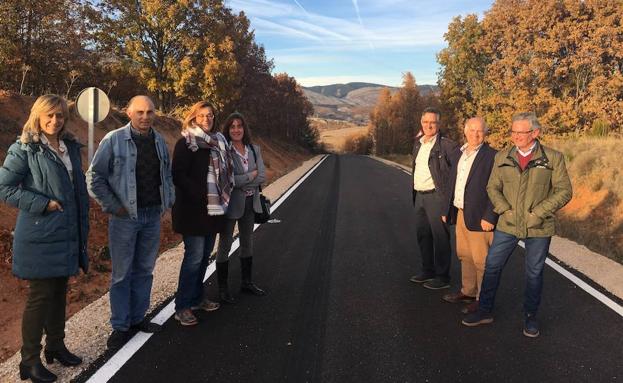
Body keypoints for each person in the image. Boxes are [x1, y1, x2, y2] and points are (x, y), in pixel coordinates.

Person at [0, 95, 89, 382]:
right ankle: (29, 361)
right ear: (37, 116)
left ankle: (56, 346)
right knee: (40, 296)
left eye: (60, 116)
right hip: (41, 233)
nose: (54, 121)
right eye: (49, 116)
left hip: (67, 232)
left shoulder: (70, 146)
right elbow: (5, 188)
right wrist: (44, 203)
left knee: (59, 291)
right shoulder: (25, 148)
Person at [462, 112, 572, 338]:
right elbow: (492, 188)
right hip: (508, 224)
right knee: (492, 266)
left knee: (534, 273)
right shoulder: (502, 156)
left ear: (535, 133)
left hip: (538, 227)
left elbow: (564, 191)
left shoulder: (553, 158)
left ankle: (530, 317)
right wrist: (505, 209)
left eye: (521, 132)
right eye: (513, 132)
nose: (516, 136)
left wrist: (539, 213)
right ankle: (484, 310)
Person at [86, 95, 174, 350]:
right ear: (128, 112)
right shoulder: (113, 139)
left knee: (145, 270)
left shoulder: (158, 140)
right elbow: (94, 178)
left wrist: (168, 199)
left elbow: (166, 174)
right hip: (125, 218)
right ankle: (120, 326)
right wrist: (115, 207)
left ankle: (138, 319)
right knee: (122, 274)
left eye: (149, 112)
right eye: (140, 112)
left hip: (152, 216)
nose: (145, 117)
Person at [171, 101, 234, 326]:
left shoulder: (219, 143)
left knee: (203, 258)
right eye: (202, 115)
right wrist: (201, 194)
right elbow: (178, 175)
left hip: (213, 212)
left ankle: (197, 298)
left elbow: (225, 174)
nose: (207, 119)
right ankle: (182, 306)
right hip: (192, 212)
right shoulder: (186, 143)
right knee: (193, 259)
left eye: (210, 115)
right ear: (194, 118)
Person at [441, 117, 498, 314]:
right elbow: (452, 183)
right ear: (465, 131)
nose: (475, 134)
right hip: (461, 213)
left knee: (482, 261)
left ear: (485, 133)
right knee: (465, 255)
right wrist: (446, 210)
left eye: (480, 131)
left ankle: (483, 300)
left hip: (480, 217)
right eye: (472, 130)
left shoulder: (492, 156)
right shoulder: (460, 153)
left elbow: (498, 188)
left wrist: (490, 216)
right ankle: (468, 291)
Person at [216, 112, 266, 298]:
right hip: (230, 205)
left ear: (244, 128)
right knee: (225, 245)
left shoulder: (254, 149)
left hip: (250, 203)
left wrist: (241, 180)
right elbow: (227, 181)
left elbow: (262, 176)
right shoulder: (224, 151)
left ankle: (247, 283)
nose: (236, 130)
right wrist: (250, 176)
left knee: (247, 243)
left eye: (239, 126)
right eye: (232, 126)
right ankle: (222, 289)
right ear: (227, 130)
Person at [409, 107, 460, 290]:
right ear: (421, 123)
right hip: (420, 196)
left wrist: (449, 202)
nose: (428, 125)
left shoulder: (447, 146)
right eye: (425, 122)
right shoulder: (418, 143)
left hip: (436, 197)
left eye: (432, 122)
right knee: (423, 235)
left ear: (439, 124)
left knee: (440, 238)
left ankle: (442, 276)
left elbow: (457, 173)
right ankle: (427, 270)